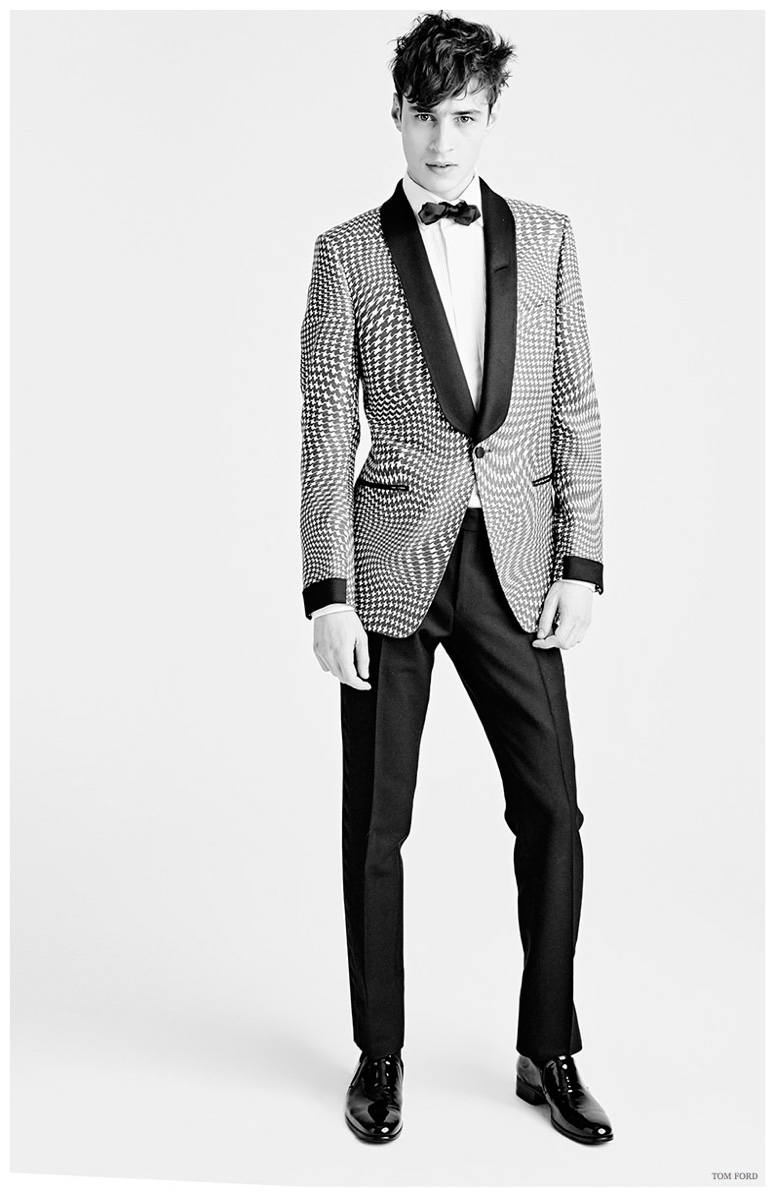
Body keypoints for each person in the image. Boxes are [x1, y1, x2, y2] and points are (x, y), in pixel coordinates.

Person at [299, 10, 613, 1147]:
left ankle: (547, 1045)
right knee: (375, 828)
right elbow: (324, 432)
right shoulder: (345, 253)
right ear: (396, 115)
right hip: (390, 571)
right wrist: (326, 591)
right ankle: (379, 1055)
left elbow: (575, 404)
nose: (442, 140)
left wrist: (581, 560)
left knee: (553, 812)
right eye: (425, 116)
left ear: (489, 119)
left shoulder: (549, 239)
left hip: (516, 567)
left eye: (463, 117)